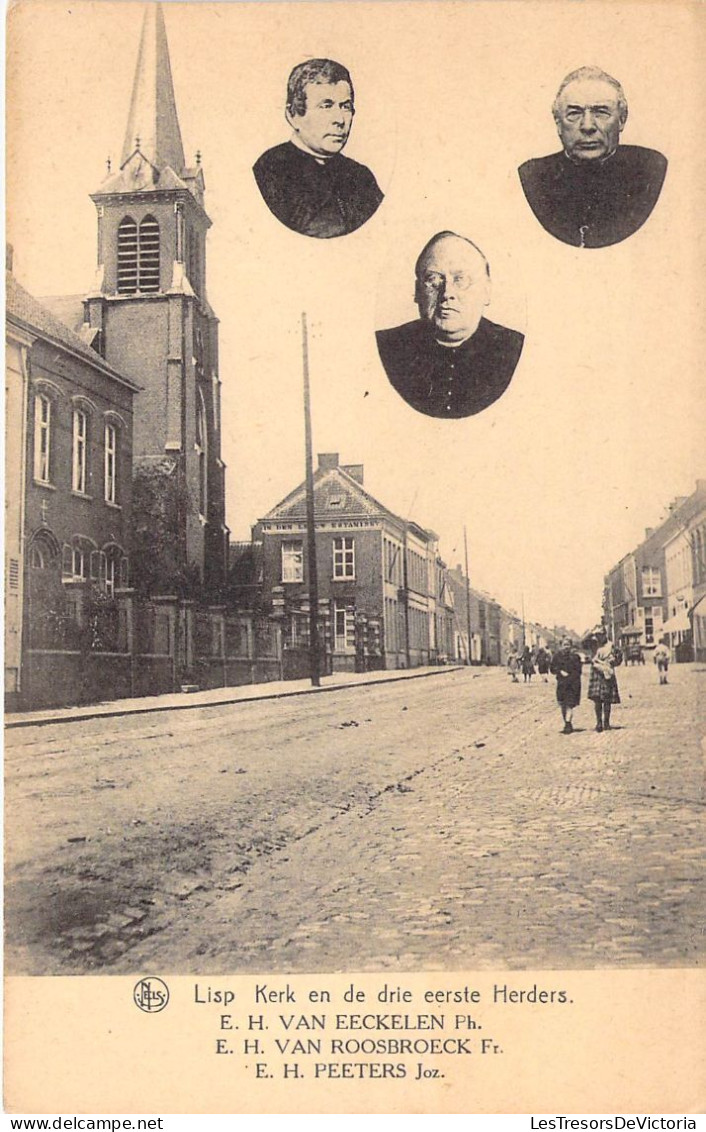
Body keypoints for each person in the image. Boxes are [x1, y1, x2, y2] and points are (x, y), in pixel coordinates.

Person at [376, 232, 524, 418]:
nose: (447, 293)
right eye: (433, 280)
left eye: (460, 280)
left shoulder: (515, 348)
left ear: (486, 291)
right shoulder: (384, 347)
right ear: (417, 291)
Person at [518, 66, 667, 249]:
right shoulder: (533, 175)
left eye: (601, 112)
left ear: (621, 120)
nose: (587, 126)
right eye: (574, 113)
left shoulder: (650, 169)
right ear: (558, 123)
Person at [253, 59, 383, 239]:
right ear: (293, 115)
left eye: (345, 107)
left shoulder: (361, 177)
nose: (340, 119)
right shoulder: (271, 170)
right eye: (326, 106)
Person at [587, 628, 622, 731]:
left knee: (607, 699)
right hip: (596, 674)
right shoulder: (593, 645)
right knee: (597, 700)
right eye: (597, 635)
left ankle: (606, 722)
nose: (599, 637)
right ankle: (599, 722)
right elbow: (583, 643)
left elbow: (619, 658)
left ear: (605, 635)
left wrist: (614, 661)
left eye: (601, 635)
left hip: (607, 673)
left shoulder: (611, 646)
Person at [550, 636, 582, 733]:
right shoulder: (557, 656)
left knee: (570, 704)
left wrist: (571, 676)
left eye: (568, 645)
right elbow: (552, 669)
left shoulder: (575, 657)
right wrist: (559, 672)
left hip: (573, 684)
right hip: (561, 684)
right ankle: (567, 723)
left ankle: (568, 723)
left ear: (571, 646)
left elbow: (578, 671)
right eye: (564, 645)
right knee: (562, 705)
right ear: (561, 646)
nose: (566, 647)